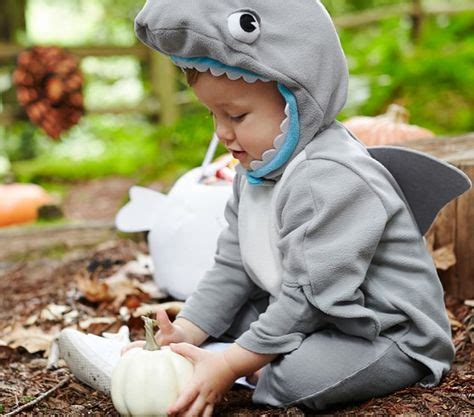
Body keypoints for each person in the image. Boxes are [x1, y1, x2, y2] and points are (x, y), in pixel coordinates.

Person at [59, 1, 471, 416]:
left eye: (236, 115)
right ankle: (183, 360)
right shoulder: (255, 169)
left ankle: (226, 370)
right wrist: (186, 329)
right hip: (322, 316)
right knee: (232, 316)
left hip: (383, 332)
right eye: (213, 115)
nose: (222, 132)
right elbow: (232, 265)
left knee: (296, 379)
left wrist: (235, 361)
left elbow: (309, 297)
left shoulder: (330, 176)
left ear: (295, 105)